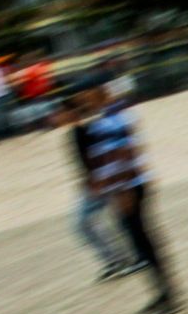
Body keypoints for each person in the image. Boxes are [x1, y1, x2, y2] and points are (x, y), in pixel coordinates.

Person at [76, 79, 180, 314]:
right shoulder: (111, 116)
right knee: (142, 241)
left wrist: (124, 188)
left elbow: (125, 153)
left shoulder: (110, 120)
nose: (83, 99)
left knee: (143, 241)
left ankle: (167, 295)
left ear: (98, 92)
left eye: (86, 93)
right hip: (127, 186)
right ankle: (163, 293)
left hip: (128, 187)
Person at [56, 93, 135, 281]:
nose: (57, 116)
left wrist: (97, 181)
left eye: (60, 111)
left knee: (83, 224)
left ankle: (119, 259)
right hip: (97, 183)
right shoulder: (78, 132)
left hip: (100, 183)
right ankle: (121, 259)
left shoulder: (84, 131)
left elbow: (98, 157)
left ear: (71, 112)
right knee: (106, 222)